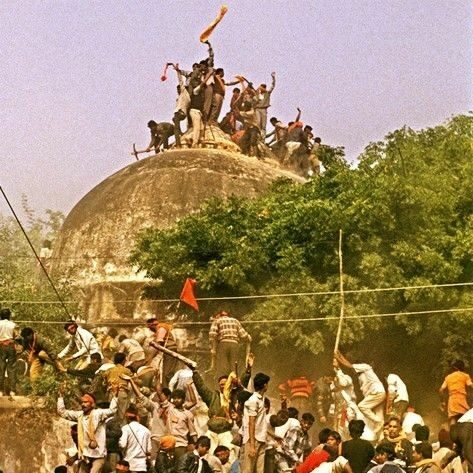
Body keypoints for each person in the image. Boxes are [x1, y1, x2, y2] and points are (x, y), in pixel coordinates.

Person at [57, 387, 118, 473]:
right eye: (82, 402)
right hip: (85, 455)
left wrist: (115, 396)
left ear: (92, 404)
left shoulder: (98, 414)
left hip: (98, 455)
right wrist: (60, 397)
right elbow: (62, 412)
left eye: (86, 402)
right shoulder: (79, 415)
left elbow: (112, 410)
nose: (83, 404)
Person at [335, 352, 386, 436]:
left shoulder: (365, 367)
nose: (353, 371)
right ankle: (379, 435)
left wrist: (339, 358)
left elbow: (349, 365)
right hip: (375, 395)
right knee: (376, 416)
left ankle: (378, 421)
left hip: (377, 393)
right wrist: (338, 357)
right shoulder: (361, 376)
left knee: (362, 406)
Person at [241, 372, 271, 473]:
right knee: (248, 470)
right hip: (253, 439)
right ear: (265, 385)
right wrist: (252, 445)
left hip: (261, 439)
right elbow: (251, 422)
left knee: (260, 470)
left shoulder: (261, 399)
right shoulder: (253, 400)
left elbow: (261, 423)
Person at [209, 311, 252, 376]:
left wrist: (213, 349)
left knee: (223, 366)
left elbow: (212, 335)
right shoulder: (235, 321)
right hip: (234, 345)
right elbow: (243, 335)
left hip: (223, 344)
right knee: (234, 366)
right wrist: (248, 337)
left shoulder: (217, 321)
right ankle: (234, 379)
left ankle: (225, 379)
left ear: (218, 315)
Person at [119, 405, 152, 473]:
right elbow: (149, 450)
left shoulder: (125, 428)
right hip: (142, 466)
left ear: (127, 418)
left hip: (129, 464)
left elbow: (122, 445)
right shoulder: (146, 430)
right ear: (137, 417)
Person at [146, 318, 178, 386]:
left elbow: (158, 344)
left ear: (152, 325)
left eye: (149, 327)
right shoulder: (160, 329)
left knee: (167, 373)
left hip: (170, 351)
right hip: (167, 351)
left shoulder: (161, 329)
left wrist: (150, 358)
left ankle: (169, 389)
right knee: (164, 373)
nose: (150, 330)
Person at [439, 360, 472, 424]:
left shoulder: (448, 377)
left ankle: (452, 430)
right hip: (462, 399)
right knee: (466, 418)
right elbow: (471, 385)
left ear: (454, 367)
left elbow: (441, 390)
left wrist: (442, 401)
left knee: (453, 418)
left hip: (452, 401)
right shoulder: (465, 376)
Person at [0, 308, 17, 396]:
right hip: (10, 346)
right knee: (12, 368)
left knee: (1, 368)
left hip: (1, 346)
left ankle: (0, 391)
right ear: (9, 316)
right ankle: (12, 391)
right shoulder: (13, 324)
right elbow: (16, 336)